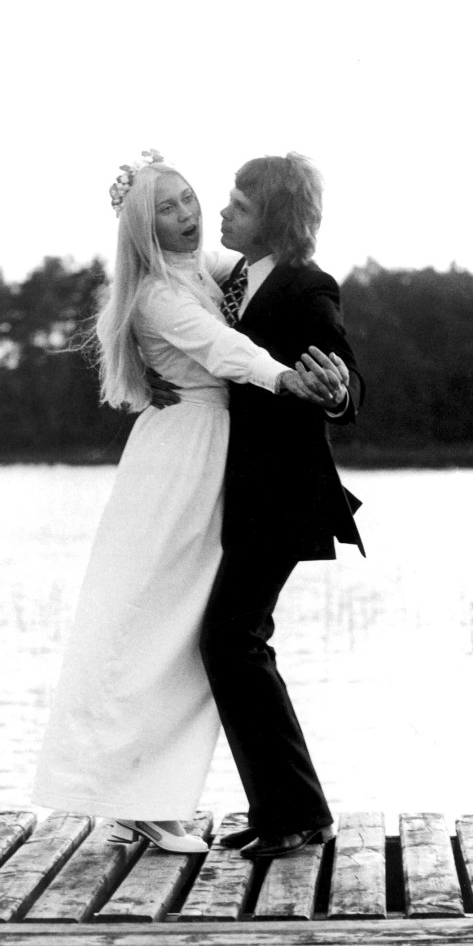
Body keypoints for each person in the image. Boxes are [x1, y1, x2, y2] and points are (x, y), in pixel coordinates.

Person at [32, 150, 335, 854]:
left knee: (192, 635)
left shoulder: (201, 272)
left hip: (210, 459)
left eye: (189, 198)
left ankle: (160, 795)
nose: (189, 213)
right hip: (178, 465)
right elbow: (223, 348)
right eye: (166, 208)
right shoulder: (156, 295)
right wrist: (288, 380)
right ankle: (131, 796)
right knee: (147, 623)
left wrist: (330, 373)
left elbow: (271, 271)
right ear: (141, 227)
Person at [195, 152, 366, 858]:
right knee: (234, 640)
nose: (225, 211)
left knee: (231, 639)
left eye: (239, 203)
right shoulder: (236, 278)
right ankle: (282, 811)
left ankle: (297, 814)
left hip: (283, 496)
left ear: (276, 218)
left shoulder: (303, 285)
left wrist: (337, 393)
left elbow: (345, 374)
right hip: (244, 496)